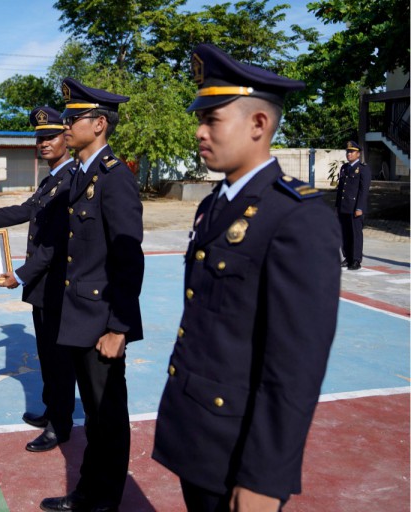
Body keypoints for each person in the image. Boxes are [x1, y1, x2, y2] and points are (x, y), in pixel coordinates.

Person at [152, 43, 342, 512]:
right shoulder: (213, 204)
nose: (199, 131)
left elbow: (296, 365)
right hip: (199, 432)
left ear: (258, 124)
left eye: (212, 120)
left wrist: (265, 478)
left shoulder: (297, 217)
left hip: (240, 450)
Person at [40, 79, 144, 512]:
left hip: (102, 319)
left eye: (73, 118)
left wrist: (119, 327)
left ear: (99, 124)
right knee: (96, 416)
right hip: (81, 314)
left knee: (107, 415)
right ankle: (89, 492)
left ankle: (103, 500)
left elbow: (128, 258)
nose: (65, 125)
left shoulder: (114, 178)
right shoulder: (82, 174)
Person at [0, 106, 76, 453]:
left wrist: (20, 276)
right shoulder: (52, 179)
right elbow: (24, 210)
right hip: (43, 288)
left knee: (59, 359)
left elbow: (56, 246)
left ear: (66, 137)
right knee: (47, 355)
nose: (44, 143)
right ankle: (53, 410)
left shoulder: (72, 180)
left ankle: (60, 425)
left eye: (50, 136)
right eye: (39, 138)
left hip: (57, 286)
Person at [336, 140, 371, 270]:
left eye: (352, 152)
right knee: (345, 233)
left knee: (356, 234)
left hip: (355, 207)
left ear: (358, 154)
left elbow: (364, 190)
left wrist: (359, 207)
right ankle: (348, 257)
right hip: (343, 206)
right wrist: (337, 206)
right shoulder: (344, 168)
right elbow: (341, 189)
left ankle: (356, 260)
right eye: (348, 152)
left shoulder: (363, 168)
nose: (349, 154)